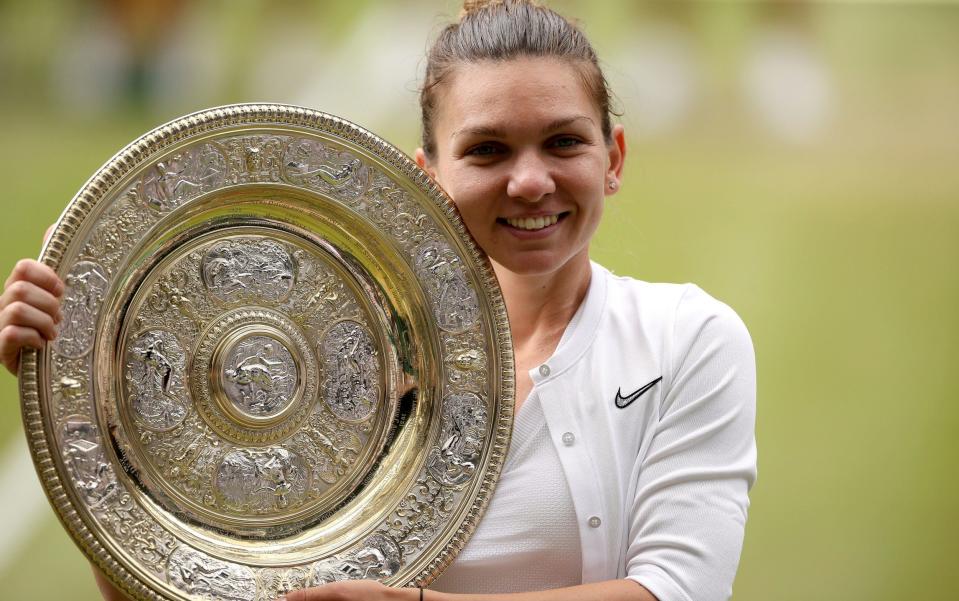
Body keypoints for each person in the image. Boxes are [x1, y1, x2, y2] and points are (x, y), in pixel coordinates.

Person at [0, 1, 756, 600]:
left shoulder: (686, 339)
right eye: (487, 149)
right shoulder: (334, 367)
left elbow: (679, 589)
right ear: (426, 175)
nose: (530, 182)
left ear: (612, 158)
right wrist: (82, 410)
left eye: (562, 142)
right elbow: (196, 583)